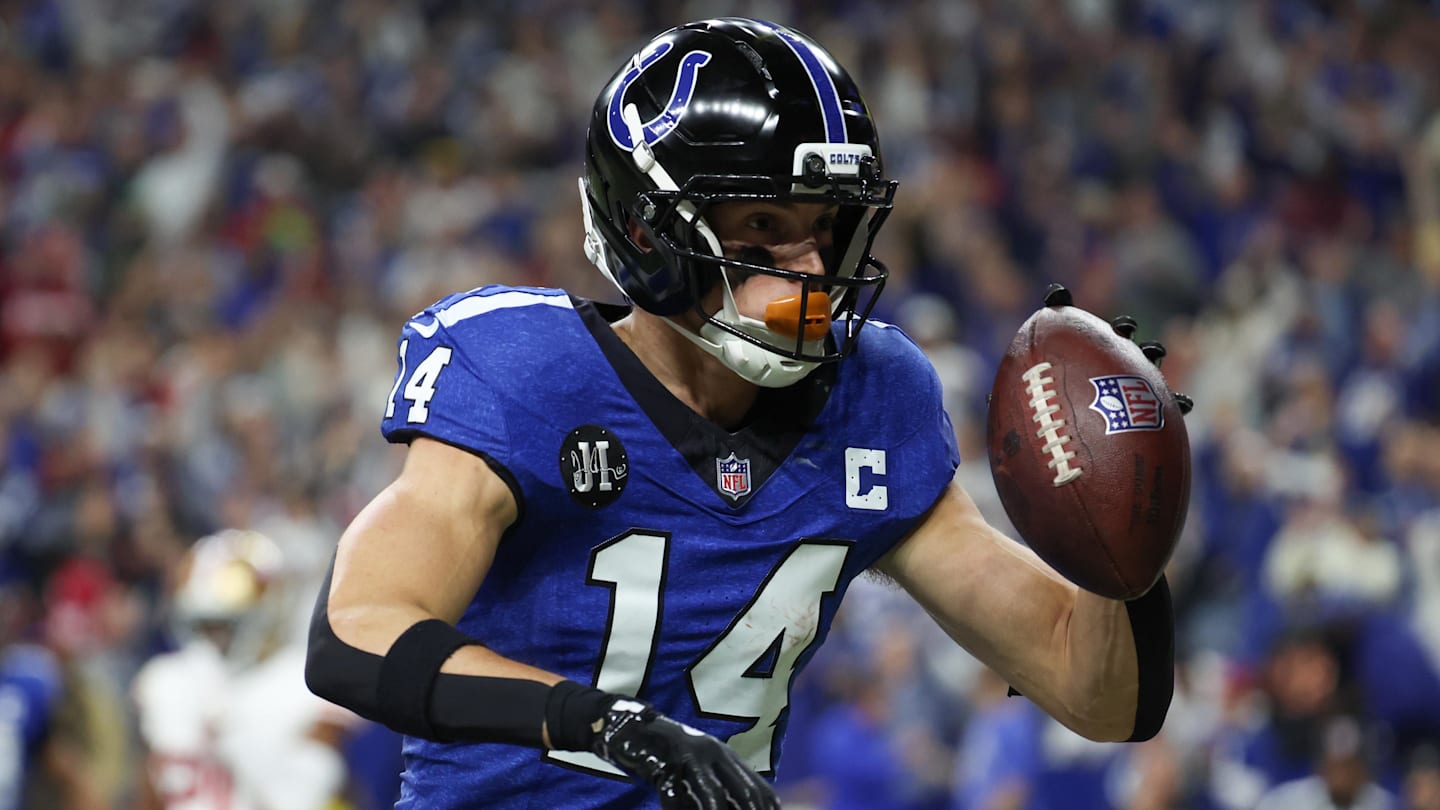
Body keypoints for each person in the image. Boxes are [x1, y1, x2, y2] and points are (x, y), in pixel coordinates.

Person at [305, 17, 1181, 809]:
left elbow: (1095, 693)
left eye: (825, 228)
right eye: (762, 226)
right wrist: (602, 724)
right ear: (645, 231)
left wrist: (1128, 538)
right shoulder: (523, 369)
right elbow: (357, 630)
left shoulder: (871, 396)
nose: (809, 270)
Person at [134, 530, 352, 810]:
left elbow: (315, 796)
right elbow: (151, 790)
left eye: (226, 626)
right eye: (204, 626)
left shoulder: (303, 684)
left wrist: (238, 741)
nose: (213, 640)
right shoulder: (167, 680)